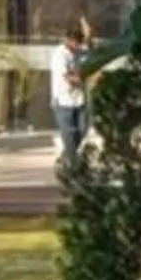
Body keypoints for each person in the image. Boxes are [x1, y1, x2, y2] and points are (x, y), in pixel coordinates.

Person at [52, 19, 91, 174]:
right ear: (67, 39)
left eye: (79, 43)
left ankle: (65, 158)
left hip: (78, 99)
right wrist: (84, 79)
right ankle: (73, 168)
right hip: (63, 101)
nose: (77, 46)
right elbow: (68, 77)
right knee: (68, 134)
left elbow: (90, 50)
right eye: (75, 42)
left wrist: (88, 33)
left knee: (82, 129)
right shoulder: (60, 55)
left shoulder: (78, 51)